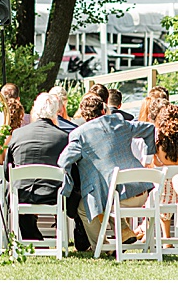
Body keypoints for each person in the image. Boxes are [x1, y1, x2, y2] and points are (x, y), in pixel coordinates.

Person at [58, 92, 157, 249]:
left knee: (85, 207)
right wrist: (149, 159)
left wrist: (69, 183)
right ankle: (123, 230)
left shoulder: (80, 134)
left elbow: (63, 161)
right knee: (103, 196)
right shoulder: (120, 123)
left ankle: (102, 247)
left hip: (115, 197)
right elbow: (150, 128)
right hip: (141, 192)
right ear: (103, 111)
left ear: (84, 116)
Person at [4, 92, 68, 241]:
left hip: (21, 193)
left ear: (35, 110)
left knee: (11, 187)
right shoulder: (63, 137)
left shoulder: (18, 134)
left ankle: (31, 236)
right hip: (53, 194)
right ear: (56, 112)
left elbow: (7, 171)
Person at [147, 103, 178, 242]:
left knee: (156, 190)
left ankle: (163, 236)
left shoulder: (155, 144)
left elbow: (148, 167)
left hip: (161, 198)